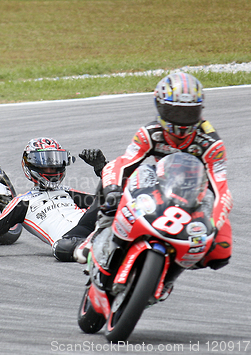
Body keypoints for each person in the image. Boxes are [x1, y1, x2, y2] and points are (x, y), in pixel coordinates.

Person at [81, 72, 233, 270]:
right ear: (160, 108)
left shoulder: (212, 144)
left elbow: (222, 192)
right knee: (116, 183)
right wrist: (112, 190)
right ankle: (98, 234)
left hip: (195, 196)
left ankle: (169, 272)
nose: (181, 122)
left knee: (221, 252)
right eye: (175, 113)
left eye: (188, 114)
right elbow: (121, 164)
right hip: (158, 185)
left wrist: (214, 224)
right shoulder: (150, 132)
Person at [0, 137, 108, 262]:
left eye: (56, 162)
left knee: (111, 199)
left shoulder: (69, 192)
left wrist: (102, 169)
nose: (52, 167)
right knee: (62, 249)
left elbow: (107, 202)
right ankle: (102, 246)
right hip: (68, 242)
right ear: (30, 165)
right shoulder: (23, 202)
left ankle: (102, 242)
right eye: (46, 162)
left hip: (92, 228)